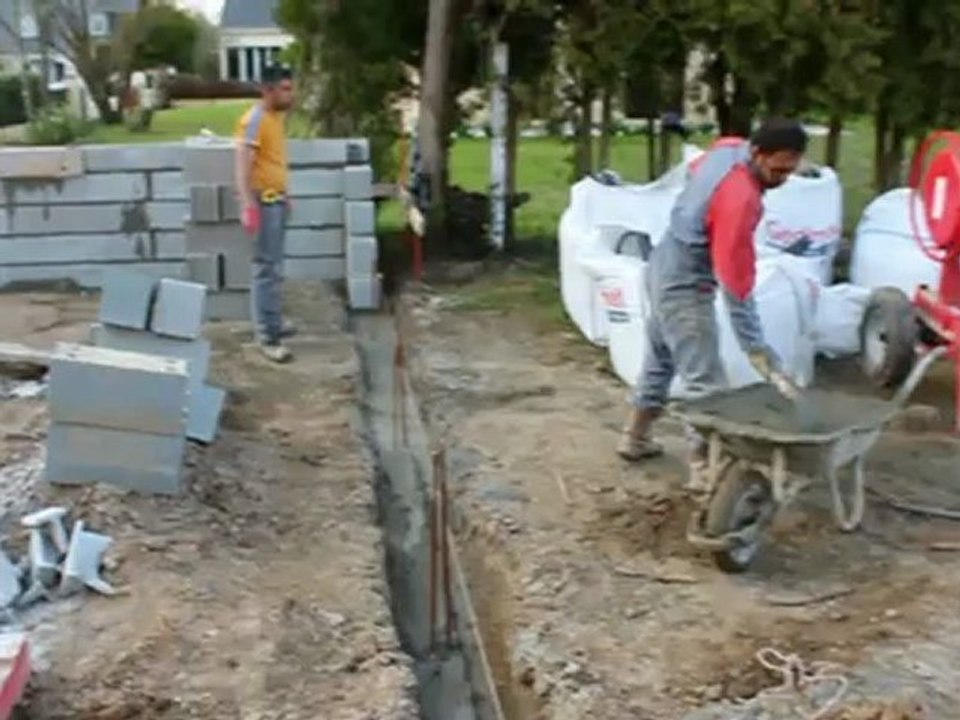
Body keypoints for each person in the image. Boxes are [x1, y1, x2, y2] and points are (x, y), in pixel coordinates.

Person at [617, 118, 809, 464]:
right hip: (684, 284)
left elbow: (695, 170)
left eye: (789, 171)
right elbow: (736, 284)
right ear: (757, 153)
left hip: (663, 262)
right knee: (704, 383)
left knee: (661, 359)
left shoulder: (726, 149)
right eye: (777, 170)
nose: (782, 179)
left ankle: (634, 438)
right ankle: (707, 472)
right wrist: (757, 350)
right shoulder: (741, 200)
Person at [235, 64, 297, 363]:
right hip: (262, 203)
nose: (290, 94)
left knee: (274, 267)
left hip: (276, 201)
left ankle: (274, 323)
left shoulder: (273, 119)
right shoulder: (255, 120)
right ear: (267, 90)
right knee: (265, 270)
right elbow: (243, 162)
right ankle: (268, 337)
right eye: (285, 89)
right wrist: (248, 204)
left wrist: (286, 195)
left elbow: (273, 161)